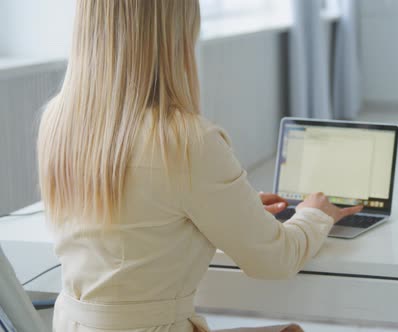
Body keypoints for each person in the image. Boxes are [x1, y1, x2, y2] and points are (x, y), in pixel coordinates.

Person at [36, 1, 362, 331]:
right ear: (176, 34)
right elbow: (275, 260)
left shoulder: (58, 121)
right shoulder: (185, 140)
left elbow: (137, 223)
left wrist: (233, 209)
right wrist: (315, 213)